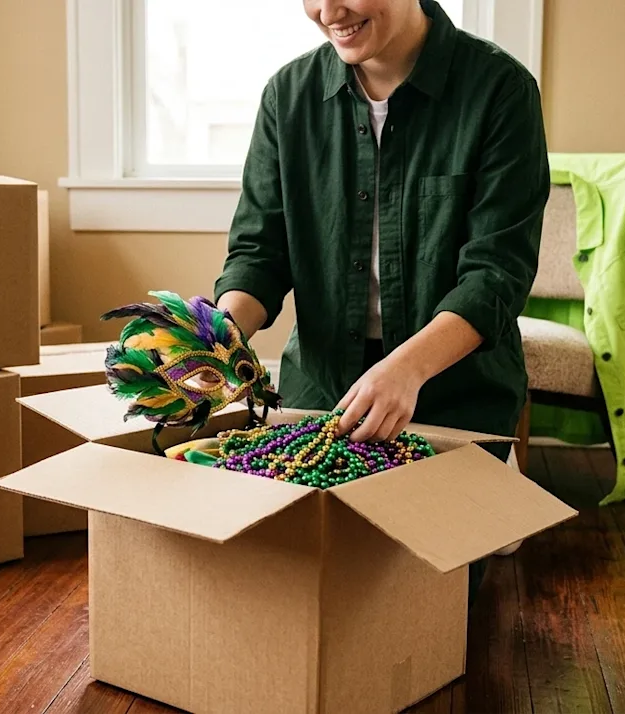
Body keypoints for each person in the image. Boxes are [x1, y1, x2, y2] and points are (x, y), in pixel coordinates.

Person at [213, 0, 550, 605]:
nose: (328, 11)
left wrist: (407, 370)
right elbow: (259, 253)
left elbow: (495, 273)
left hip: (451, 382)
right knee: (303, 578)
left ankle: (492, 471)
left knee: (417, 597)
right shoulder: (287, 97)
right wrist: (215, 336)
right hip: (323, 386)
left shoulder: (500, 89)